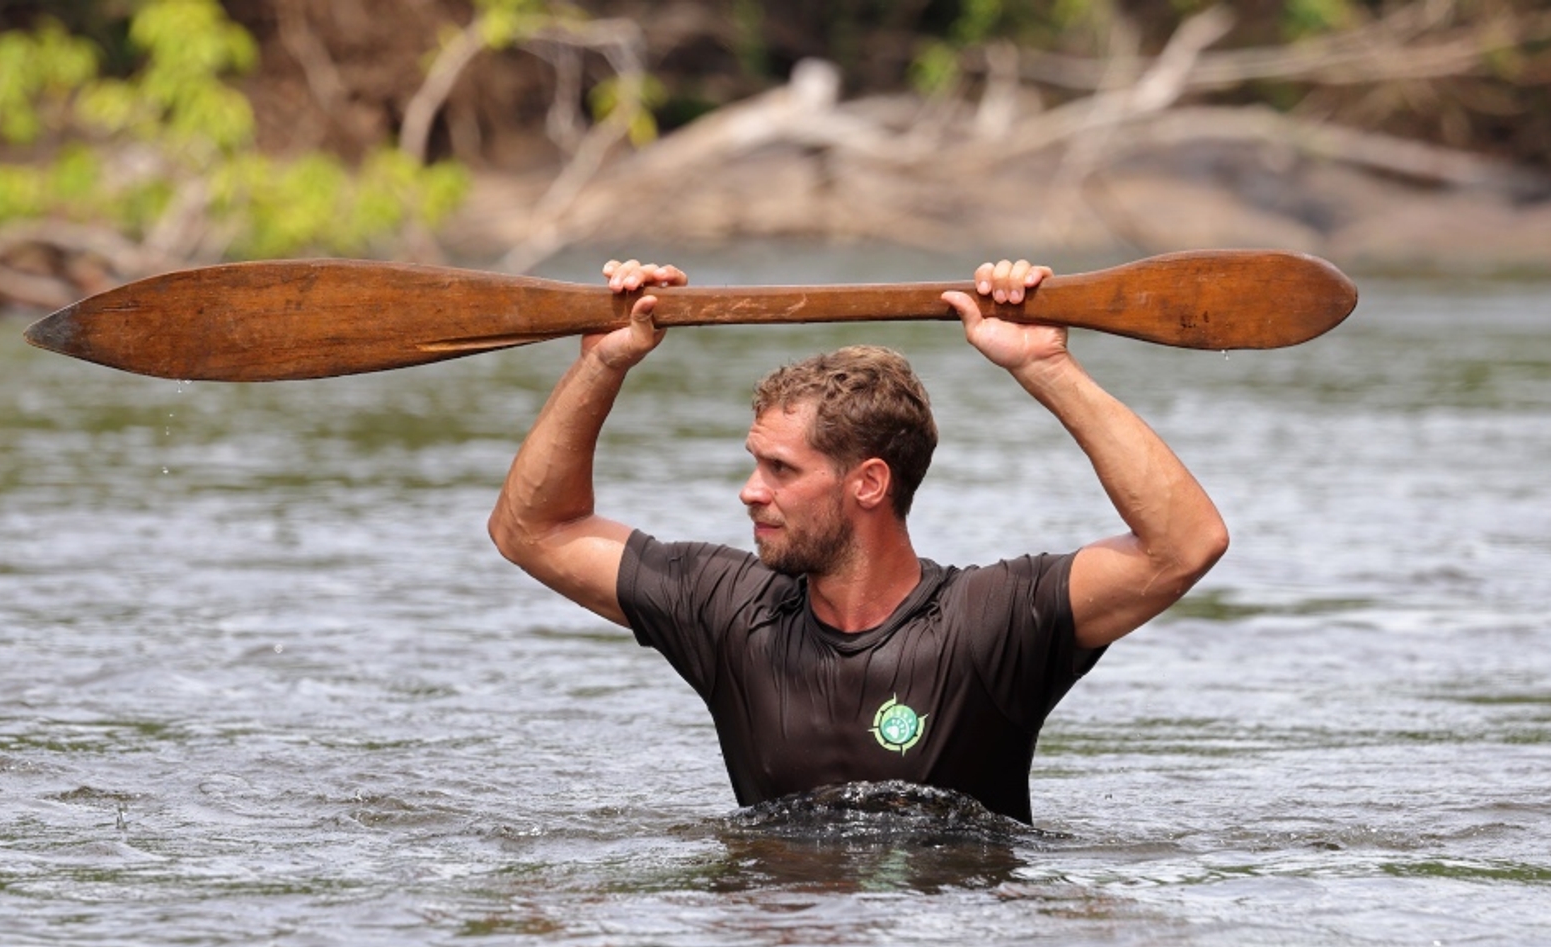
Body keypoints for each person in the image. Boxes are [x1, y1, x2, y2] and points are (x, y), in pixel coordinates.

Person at [487, 257, 1228, 824]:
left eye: (780, 468)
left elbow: (1185, 543)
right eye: (755, 462)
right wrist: (601, 363)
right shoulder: (723, 609)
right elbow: (532, 530)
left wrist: (1046, 367)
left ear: (868, 484)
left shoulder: (995, 621)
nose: (751, 489)